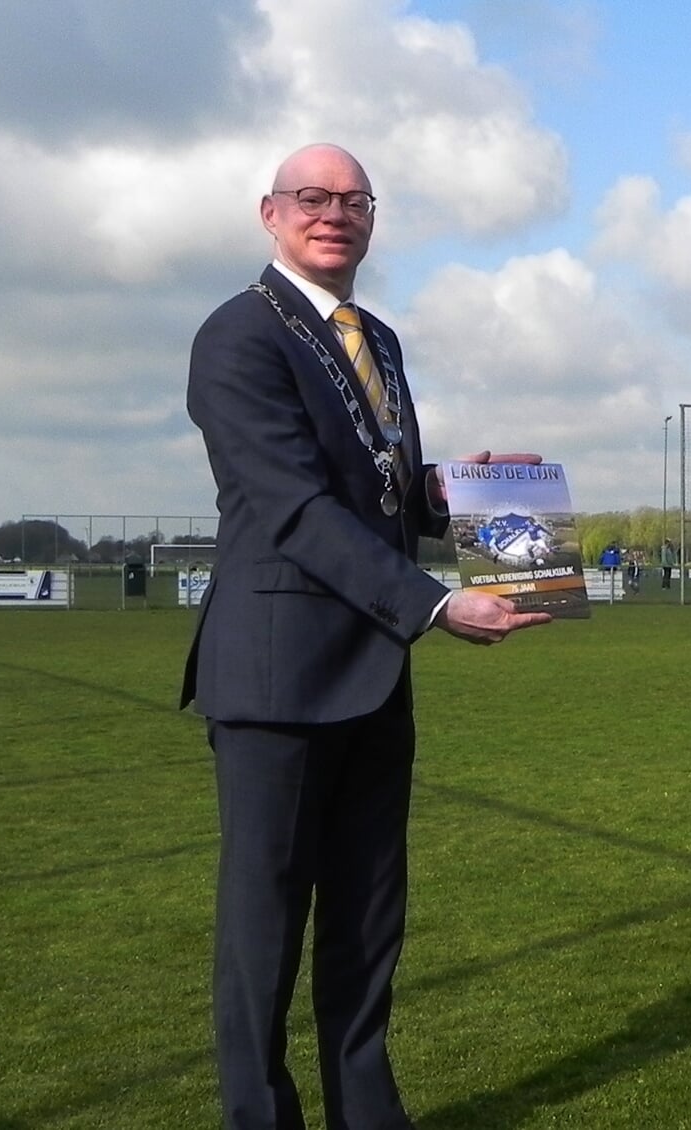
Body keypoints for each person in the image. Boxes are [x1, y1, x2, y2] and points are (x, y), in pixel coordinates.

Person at [181, 142, 551, 1130]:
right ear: (270, 213)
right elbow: (297, 508)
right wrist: (433, 604)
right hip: (275, 680)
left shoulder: (377, 338)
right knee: (265, 931)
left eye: (353, 200)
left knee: (367, 919)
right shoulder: (237, 337)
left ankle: (367, 1110)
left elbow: (377, 489)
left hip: (374, 675)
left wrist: (455, 491)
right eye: (311, 197)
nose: (333, 213)